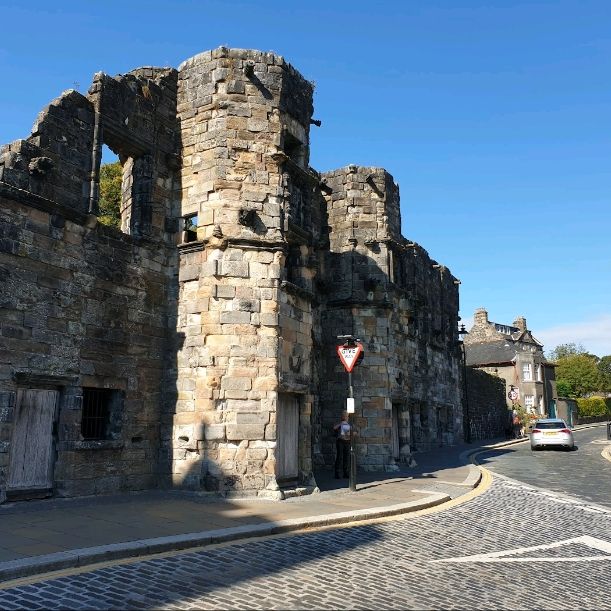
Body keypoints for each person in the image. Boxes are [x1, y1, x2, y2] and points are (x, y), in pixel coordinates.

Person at [333, 411, 351, 479]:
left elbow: (355, 431)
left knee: (346, 458)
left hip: (347, 441)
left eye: (346, 415)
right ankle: (337, 473)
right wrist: (341, 424)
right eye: (344, 415)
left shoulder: (349, 423)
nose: (345, 417)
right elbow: (334, 428)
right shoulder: (339, 422)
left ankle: (346, 473)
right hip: (340, 441)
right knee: (339, 457)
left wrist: (350, 431)